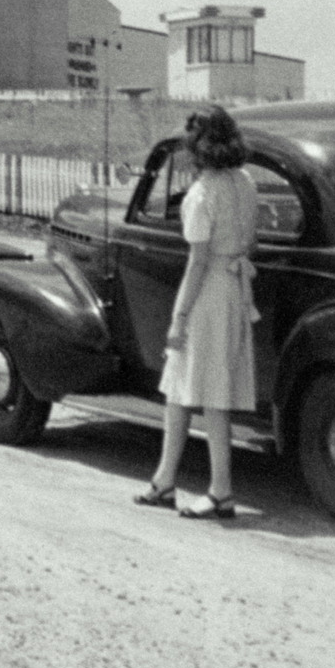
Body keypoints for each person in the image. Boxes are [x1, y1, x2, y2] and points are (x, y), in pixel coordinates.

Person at [132, 105, 260, 519]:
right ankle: (164, 480)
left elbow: (197, 262)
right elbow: (248, 243)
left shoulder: (201, 195)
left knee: (207, 392)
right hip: (236, 288)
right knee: (181, 387)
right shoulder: (245, 183)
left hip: (208, 294)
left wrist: (179, 317)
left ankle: (220, 491)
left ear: (195, 148)